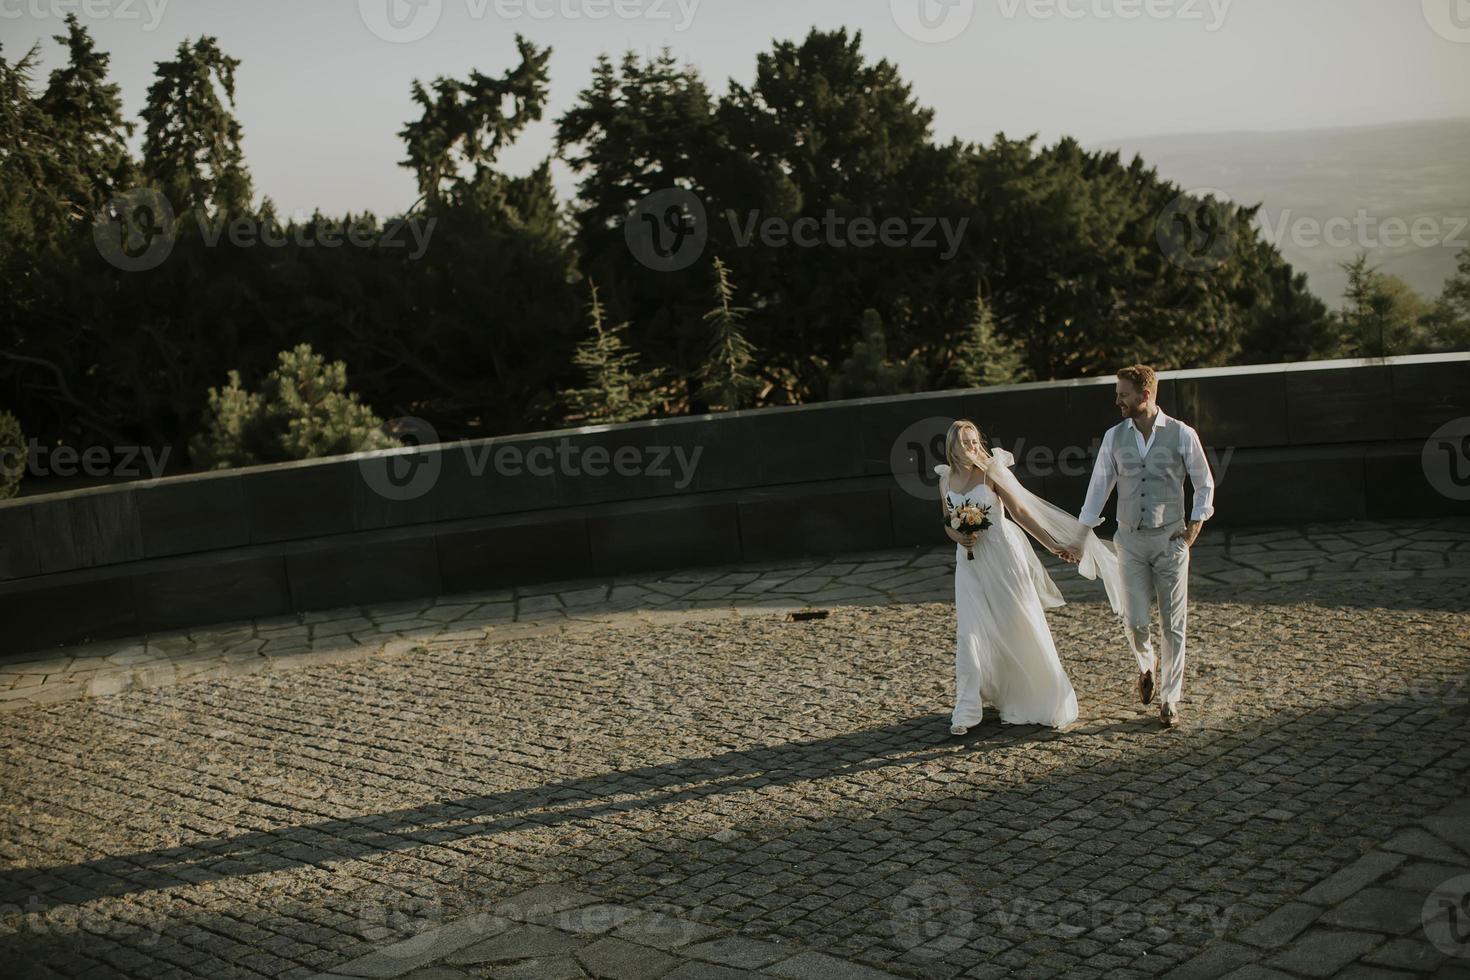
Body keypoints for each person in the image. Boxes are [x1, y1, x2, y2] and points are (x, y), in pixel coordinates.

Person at [936, 419, 1123, 735]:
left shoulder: (991, 471)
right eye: (964, 443)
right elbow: (946, 522)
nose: (971, 447)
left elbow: (1021, 513)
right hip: (968, 562)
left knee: (1018, 623)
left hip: (1003, 554)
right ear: (952, 446)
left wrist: (1051, 545)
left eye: (973, 441)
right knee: (969, 631)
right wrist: (958, 537)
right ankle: (966, 711)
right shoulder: (946, 479)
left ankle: (1041, 696)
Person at [1079, 365, 1216, 729]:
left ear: (1145, 396)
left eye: (1123, 394)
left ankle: (1170, 698)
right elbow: (1099, 487)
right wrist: (1081, 535)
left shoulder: (1181, 433)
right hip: (1130, 540)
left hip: (1169, 539)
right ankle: (1146, 666)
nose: (1117, 400)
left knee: (1174, 624)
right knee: (1135, 620)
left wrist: (1193, 528)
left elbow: (1204, 482)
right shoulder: (1113, 437)